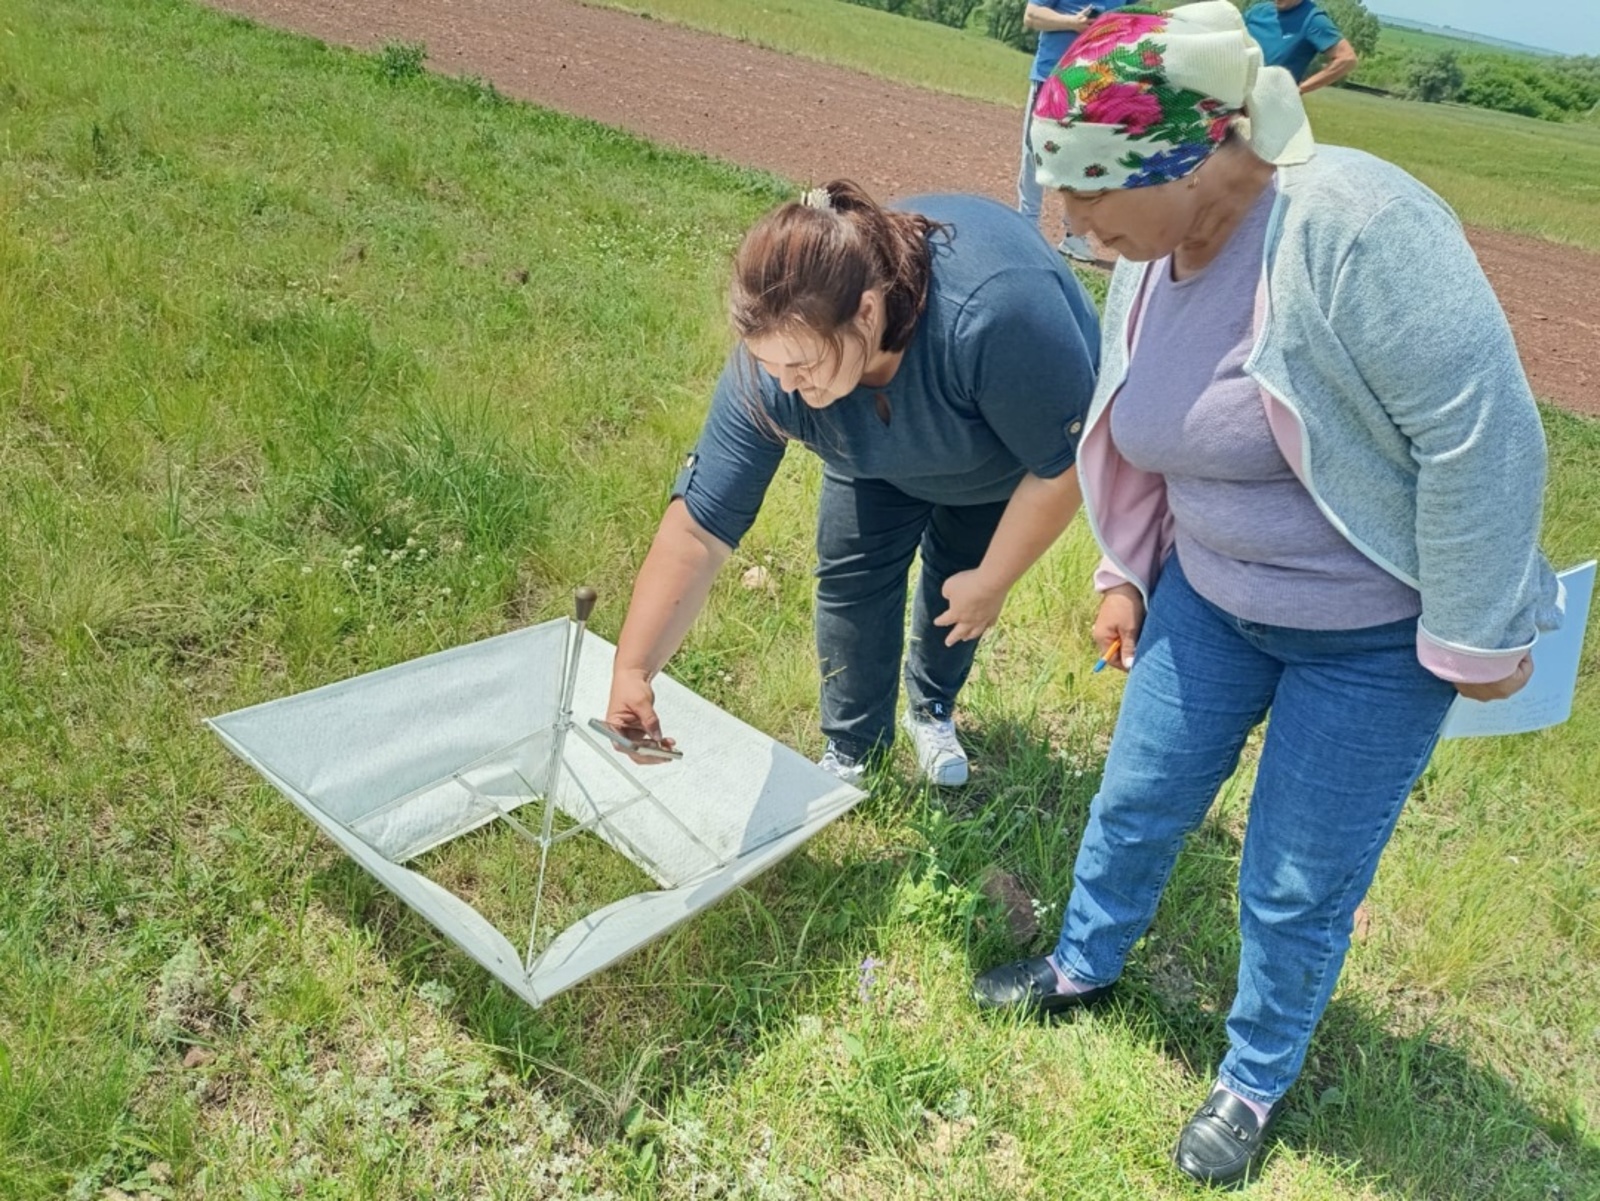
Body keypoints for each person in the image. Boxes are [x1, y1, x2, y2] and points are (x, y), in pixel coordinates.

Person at [977, 2, 1560, 1187]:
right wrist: (1124, 571)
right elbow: (1140, 421)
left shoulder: (1352, 225)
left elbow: (1480, 437)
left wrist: (1477, 632)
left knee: (1296, 882)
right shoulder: (1151, 257)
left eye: (1091, 189)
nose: (1070, 221)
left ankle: (1249, 1081)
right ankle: (1081, 964)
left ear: (1188, 158)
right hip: (1208, 598)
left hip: (1368, 640)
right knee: (1134, 800)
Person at [604, 181, 1100, 788]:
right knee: (852, 575)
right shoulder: (779, 372)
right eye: (769, 365)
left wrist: (994, 580)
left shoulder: (996, 317)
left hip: (999, 453)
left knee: (961, 585)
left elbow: (1064, 464)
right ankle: (854, 747)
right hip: (870, 448)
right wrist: (633, 669)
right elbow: (697, 533)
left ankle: (932, 707)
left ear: (866, 312)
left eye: (802, 365)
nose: (786, 386)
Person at [1019, 2, 1132, 261]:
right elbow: (1032, 15)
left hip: (1096, 83)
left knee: (1084, 160)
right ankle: (1026, 226)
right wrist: (1072, 23)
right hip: (1052, 75)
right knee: (1035, 154)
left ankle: (1074, 235)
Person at [1243, 0, 1359, 92]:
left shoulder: (1313, 19)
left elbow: (1347, 58)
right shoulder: (1257, 11)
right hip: (1237, 93)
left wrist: (1301, 89)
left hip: (1269, 102)